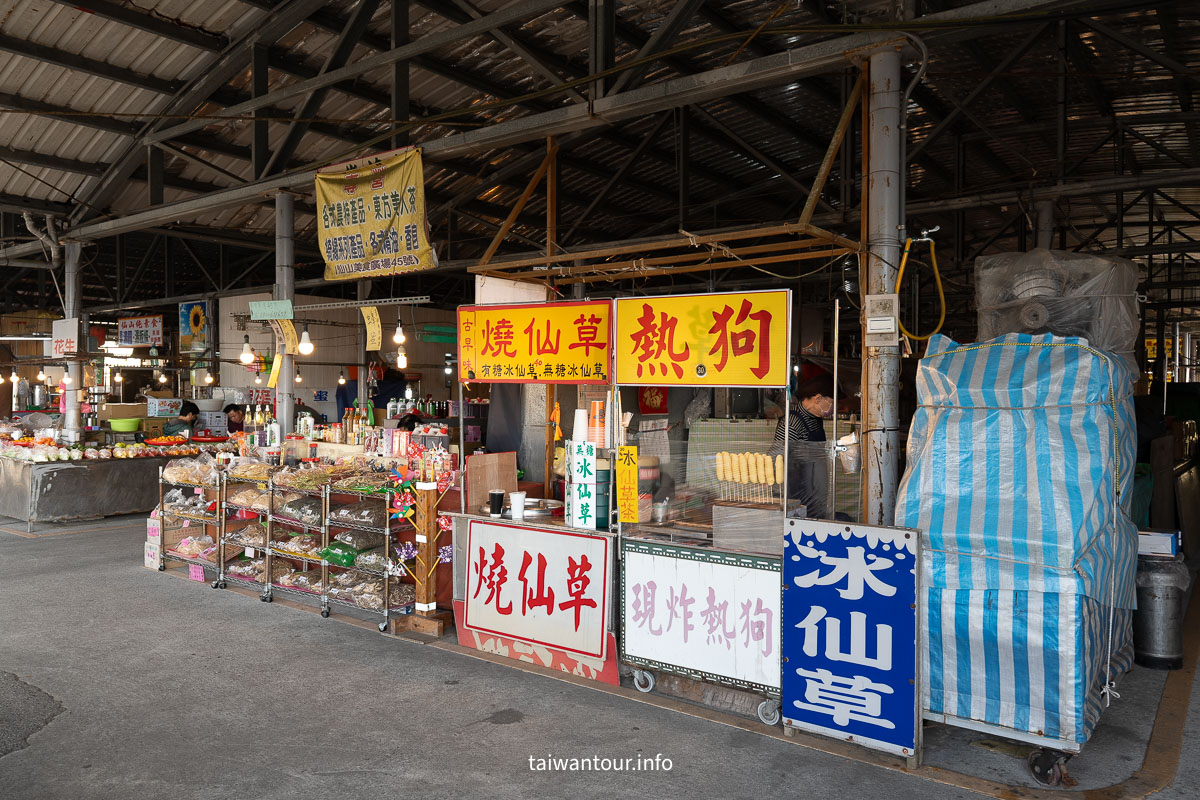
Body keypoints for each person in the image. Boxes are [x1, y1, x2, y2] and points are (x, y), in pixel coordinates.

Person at [768, 374, 835, 519]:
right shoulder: (792, 422)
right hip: (796, 495)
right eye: (831, 403)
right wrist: (783, 499)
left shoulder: (815, 419)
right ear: (818, 398)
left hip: (814, 493)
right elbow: (776, 459)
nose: (833, 409)